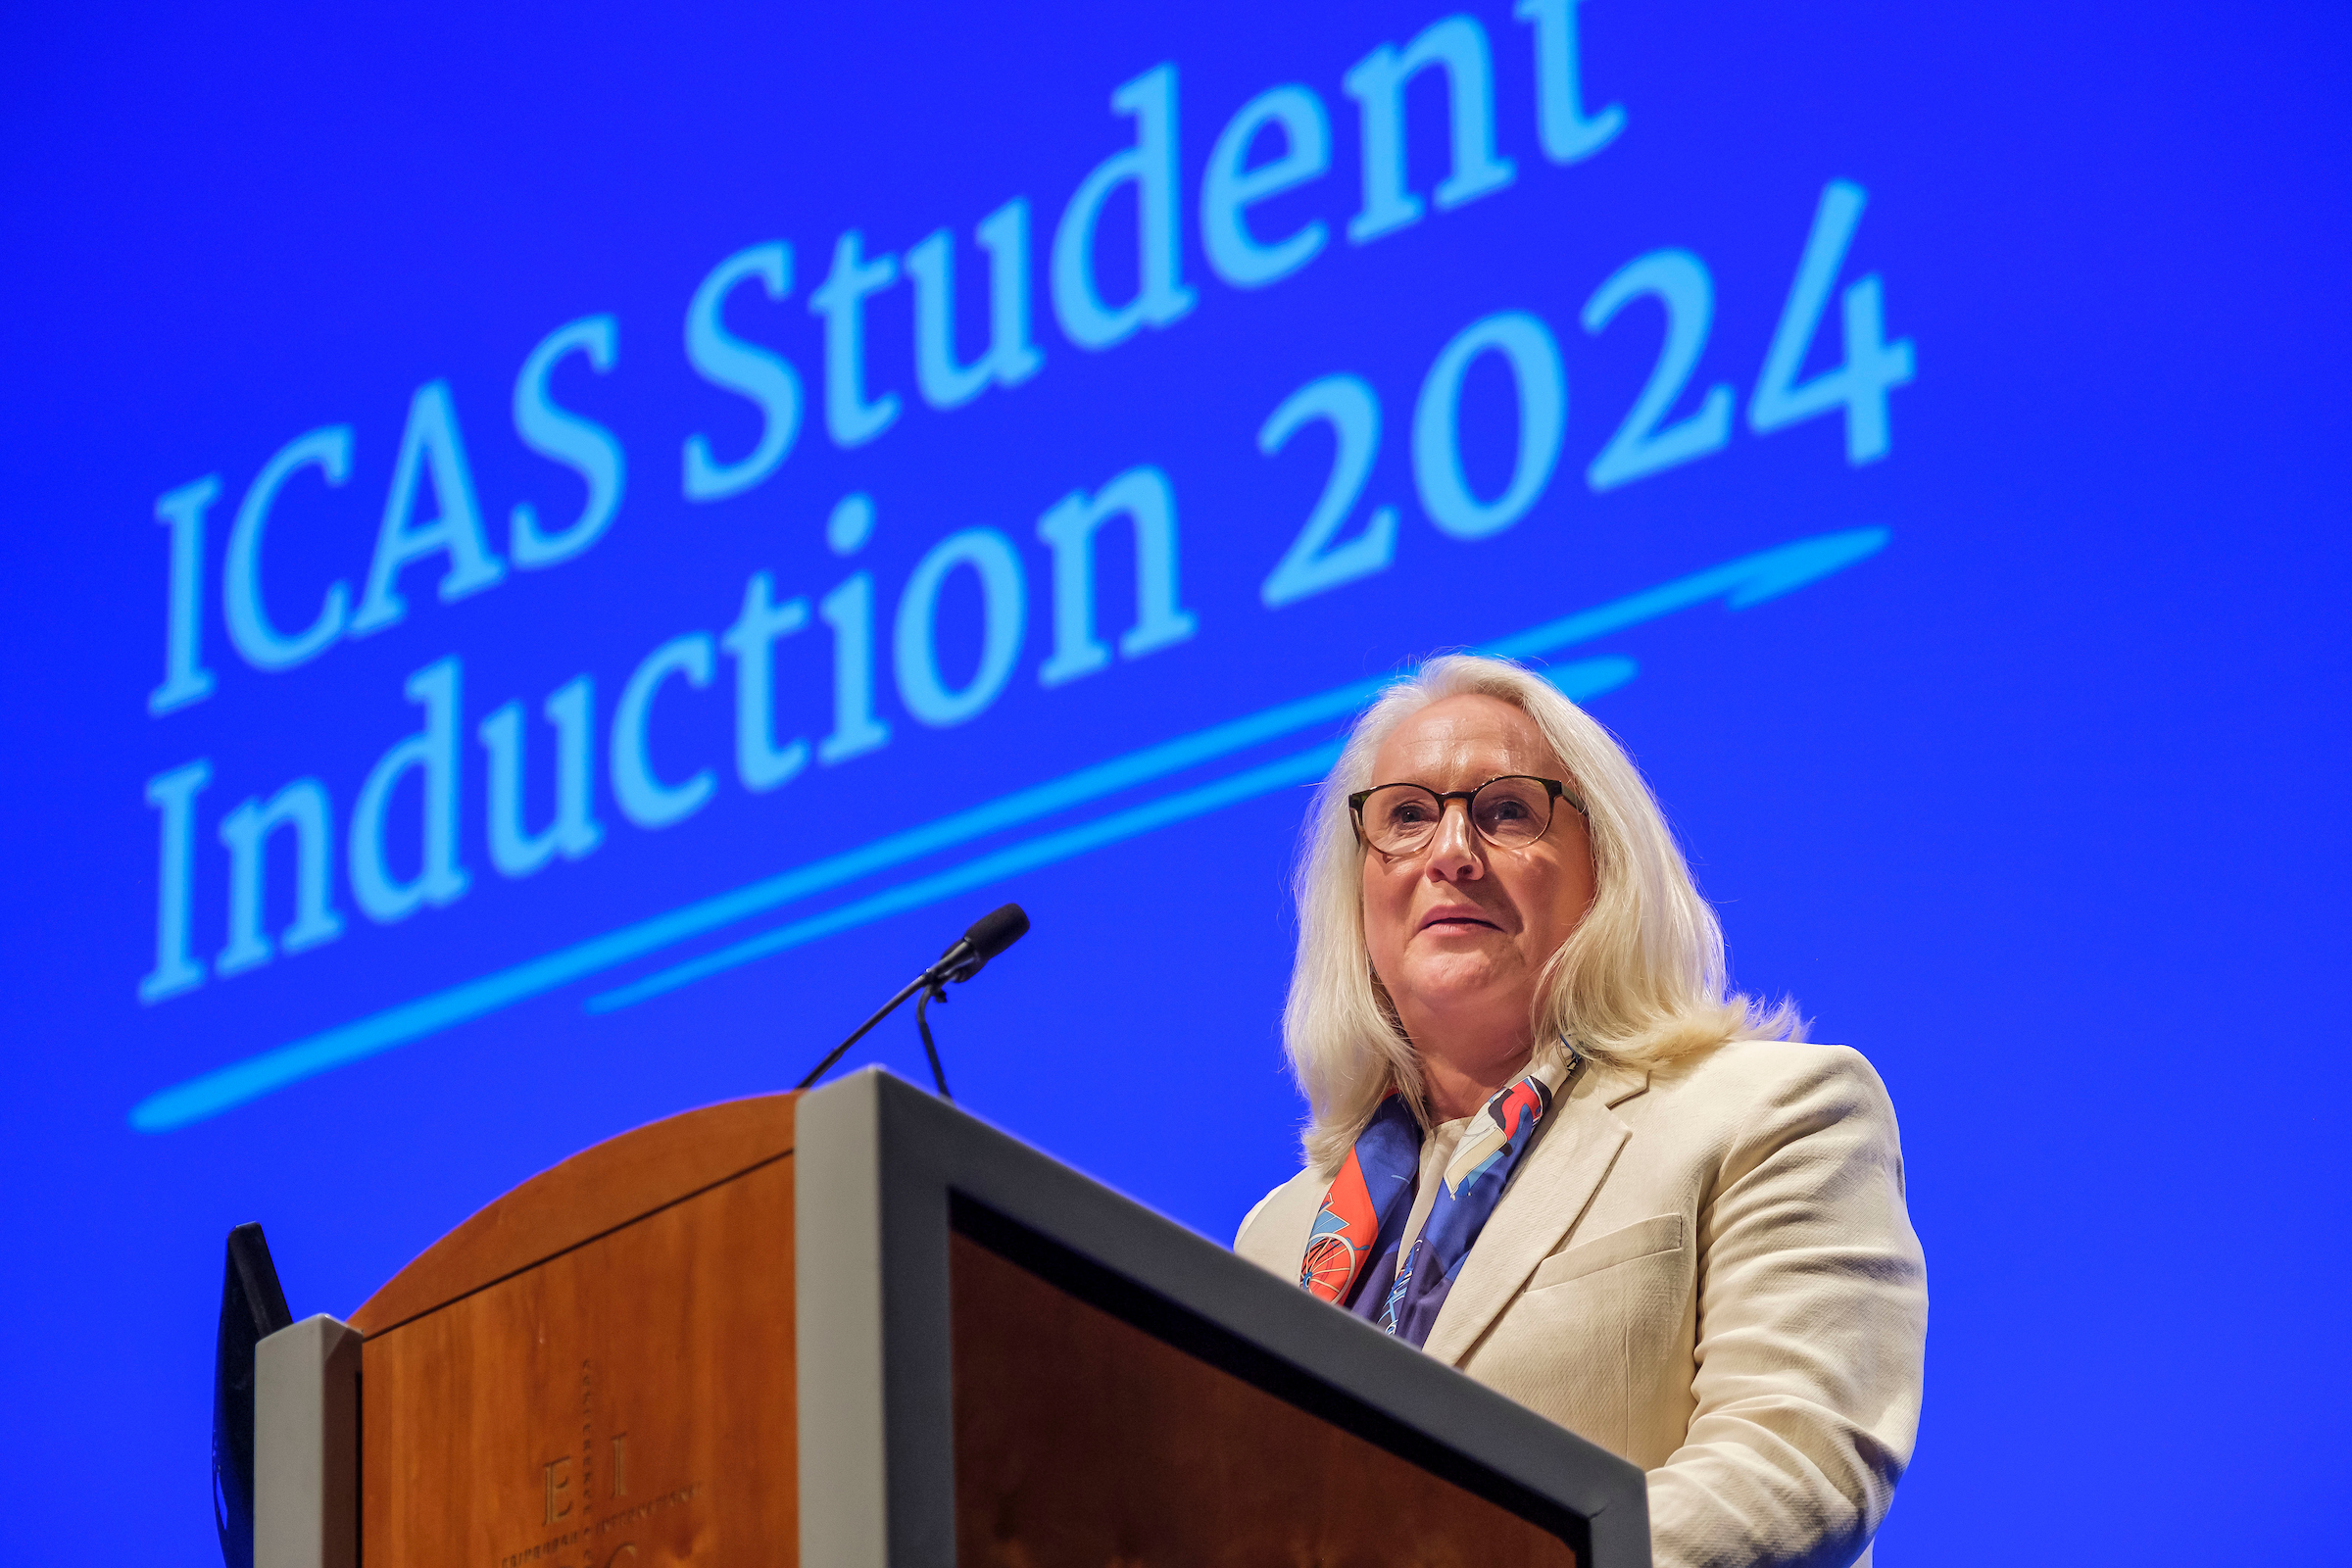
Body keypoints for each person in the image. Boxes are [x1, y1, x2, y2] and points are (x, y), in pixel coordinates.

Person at [1234, 654, 1927, 1568]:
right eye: (1406, 815)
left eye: (1507, 810)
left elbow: (1792, 1465)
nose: (1451, 853)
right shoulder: (1277, 1239)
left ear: (1607, 869)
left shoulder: (1774, 1111)